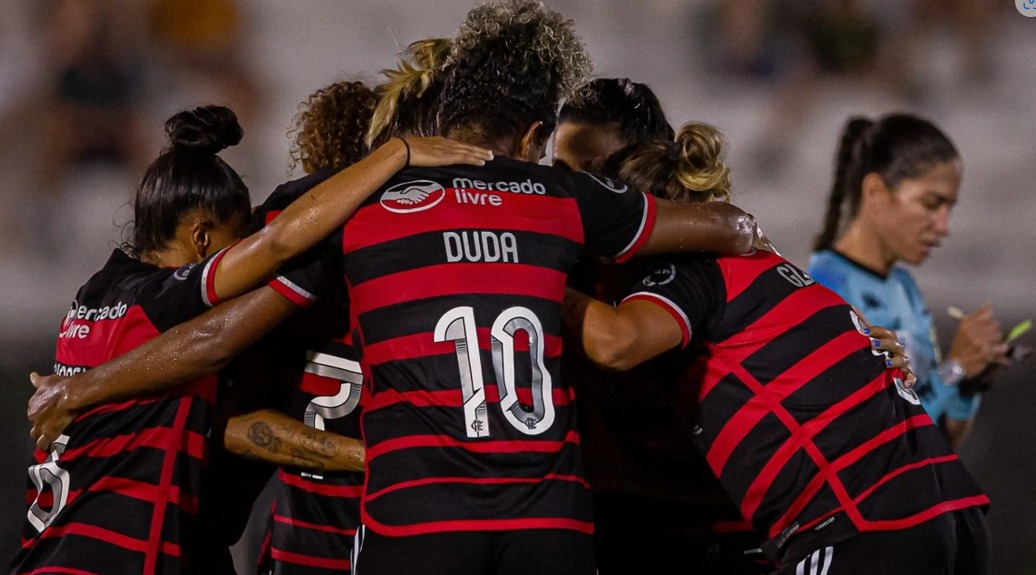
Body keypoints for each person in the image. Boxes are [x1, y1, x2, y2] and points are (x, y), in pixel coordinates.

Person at [27, 2, 758, 573]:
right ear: (534, 134)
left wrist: (82, 387)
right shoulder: (559, 199)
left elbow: (219, 341)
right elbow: (723, 227)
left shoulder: (360, 217)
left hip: (412, 517)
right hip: (549, 517)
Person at [13, 104, 492, 575]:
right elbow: (277, 244)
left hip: (48, 553)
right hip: (104, 559)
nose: (245, 248)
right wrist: (396, 153)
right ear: (201, 238)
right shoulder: (164, 303)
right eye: (239, 235)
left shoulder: (94, 296)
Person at [566, 121, 991, 574]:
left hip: (862, 526)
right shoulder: (769, 267)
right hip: (955, 515)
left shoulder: (693, 273)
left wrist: (534, 278)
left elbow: (616, 342)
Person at [554, 78, 773, 575]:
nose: (578, 193)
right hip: (618, 526)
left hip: (726, 531)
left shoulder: (711, 256)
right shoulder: (570, 265)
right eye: (562, 174)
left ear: (648, 162)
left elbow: (617, 343)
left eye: (594, 172)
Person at [807, 113, 1008, 449]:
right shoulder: (826, 288)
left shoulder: (905, 288)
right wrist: (954, 369)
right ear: (876, 192)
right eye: (931, 204)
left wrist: (970, 380)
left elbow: (939, 439)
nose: (943, 226)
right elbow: (871, 439)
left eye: (949, 208)